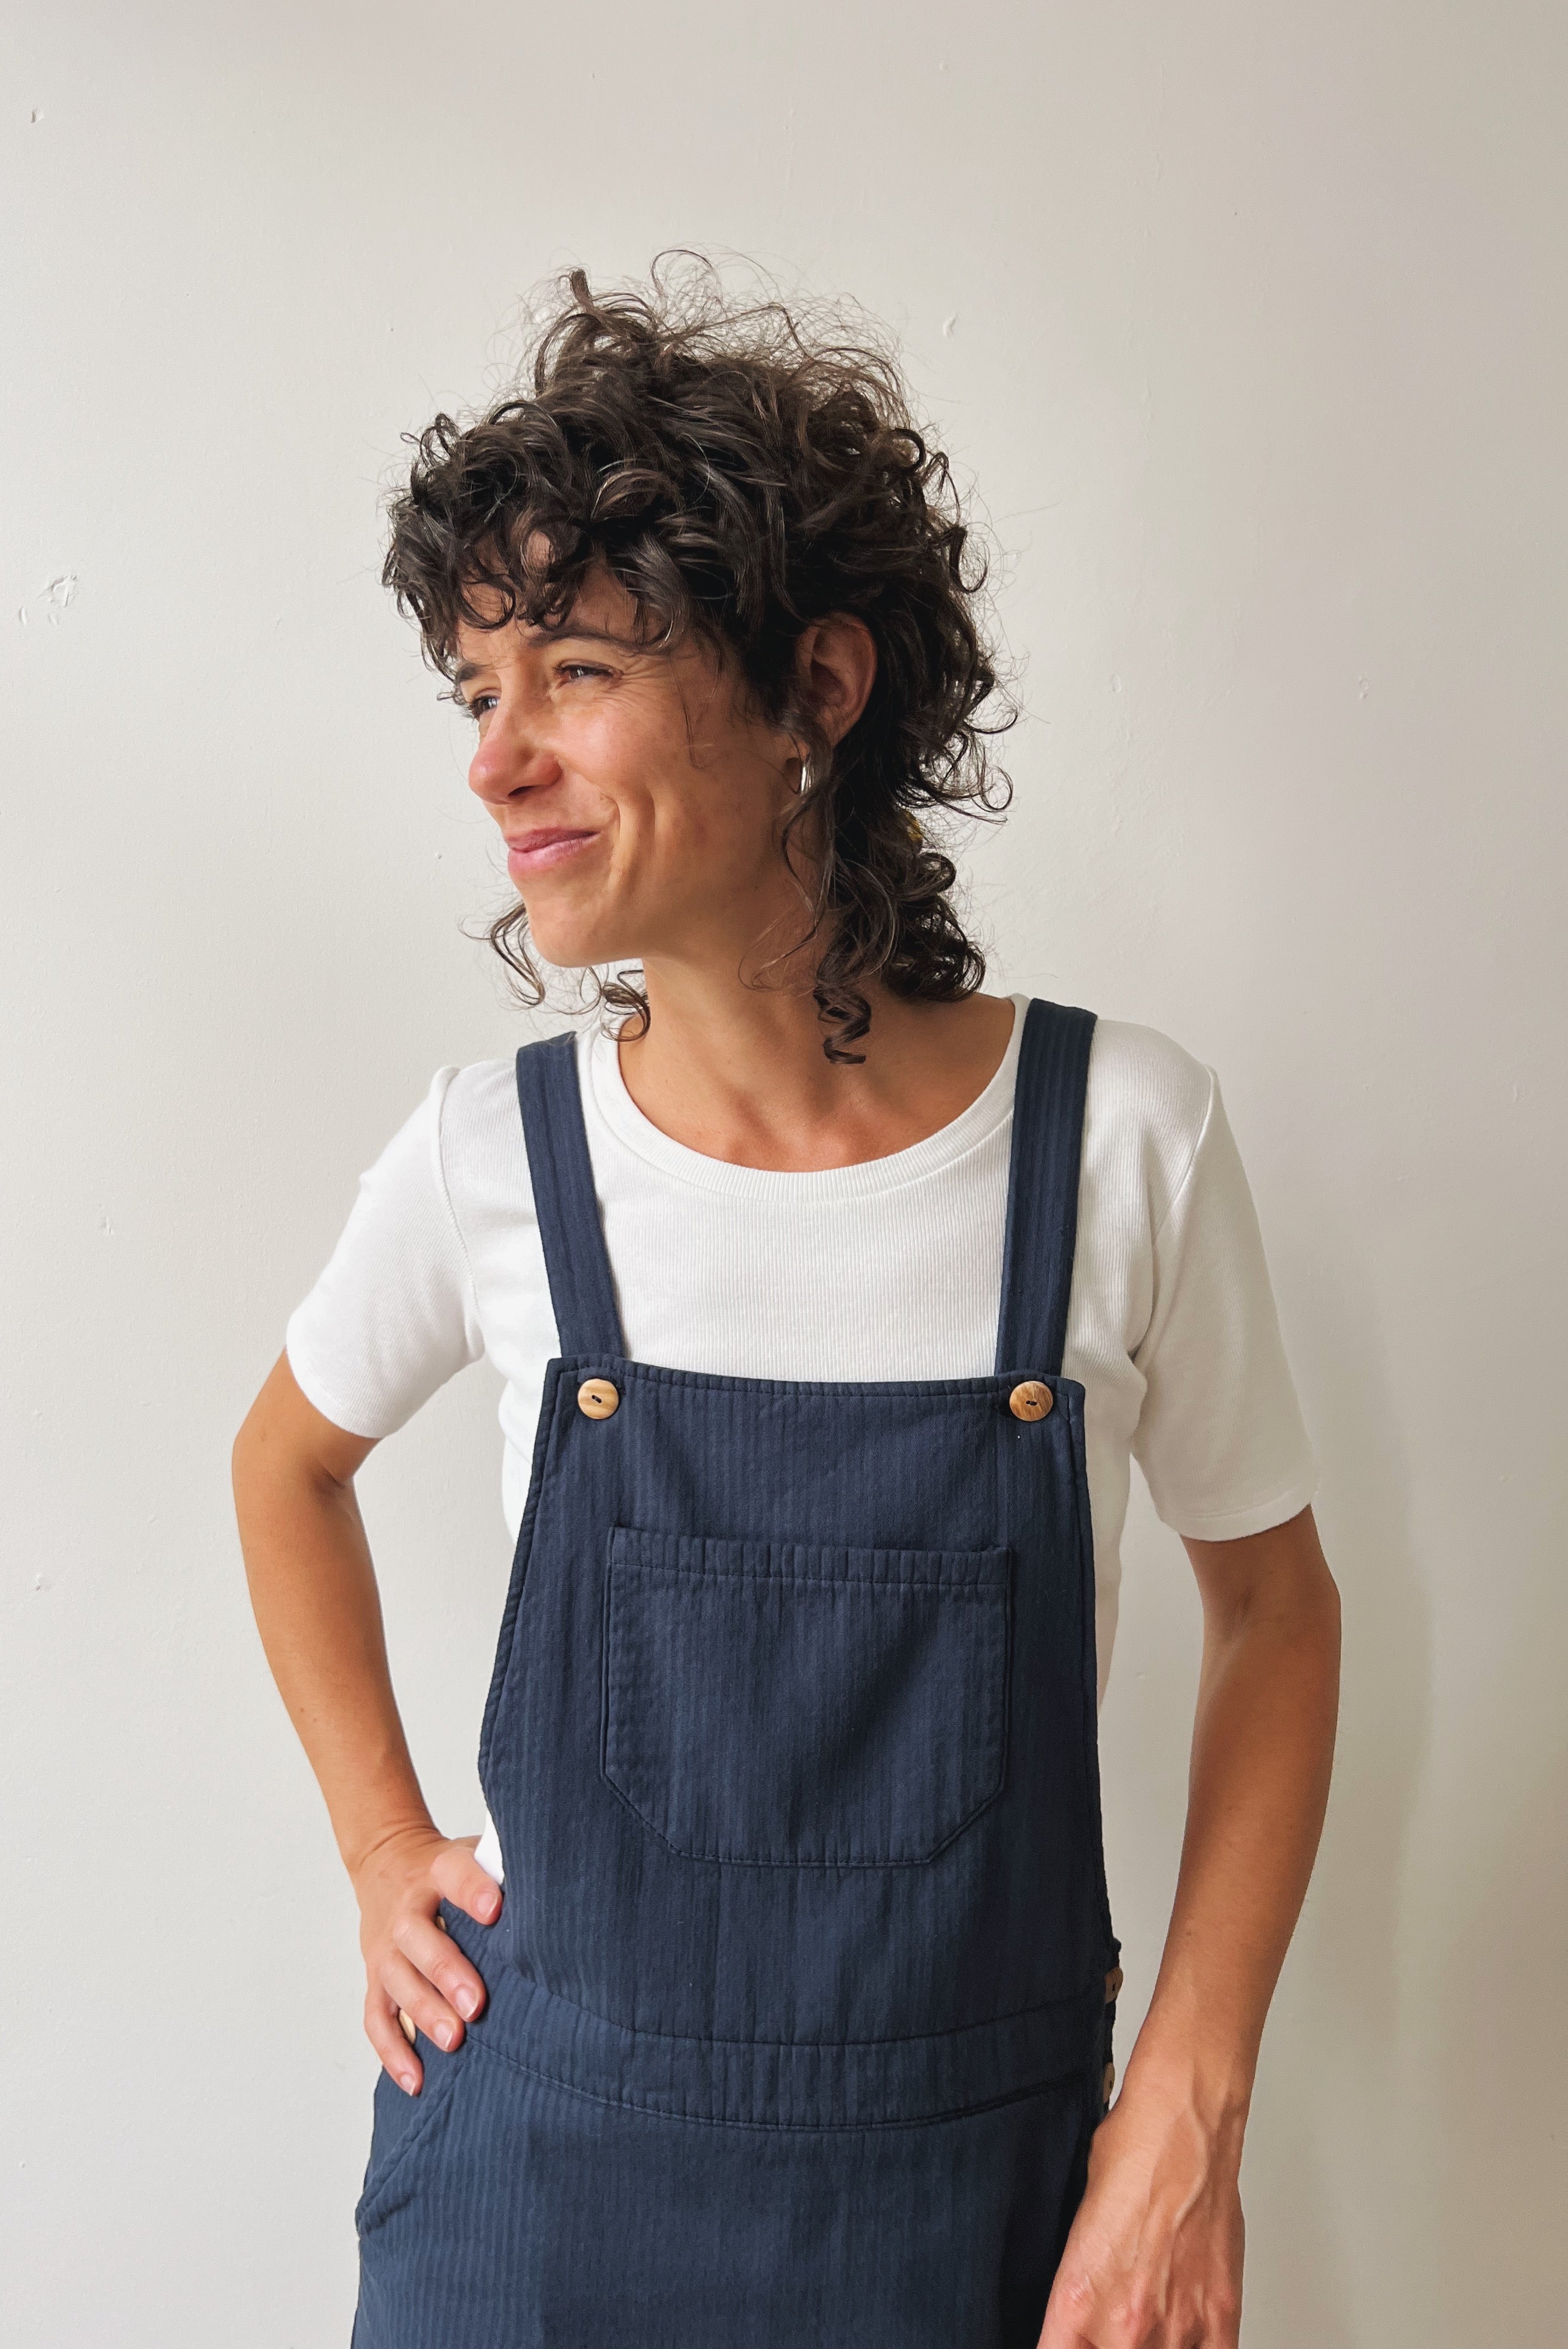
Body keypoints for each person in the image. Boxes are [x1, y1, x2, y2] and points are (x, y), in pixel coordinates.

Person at [232, 260, 1340, 2349]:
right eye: (477, 691)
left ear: (818, 687)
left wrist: (1189, 2103)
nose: (497, 758)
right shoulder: (497, 1163)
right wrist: (385, 1847)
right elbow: (282, 1466)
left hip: (983, 2232)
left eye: (568, 668)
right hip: (536, 2219)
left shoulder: (1114, 1146)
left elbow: (1277, 1609)